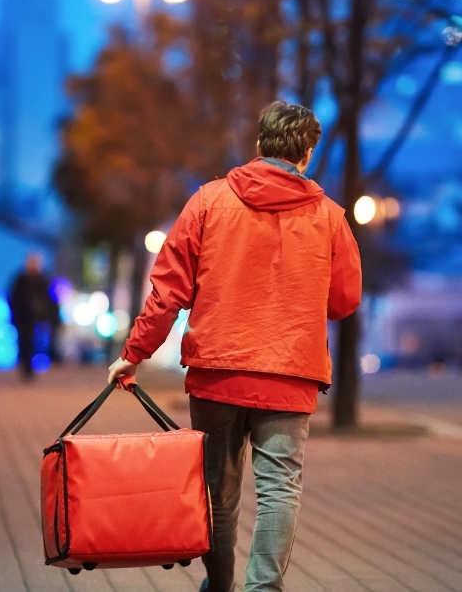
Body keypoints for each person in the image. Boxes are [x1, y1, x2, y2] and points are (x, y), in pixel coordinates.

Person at [108, 101, 362, 592]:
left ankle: (219, 586)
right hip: (290, 374)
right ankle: (262, 589)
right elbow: (345, 300)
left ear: (260, 145)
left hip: (218, 371)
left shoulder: (208, 202)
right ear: (307, 153)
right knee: (280, 488)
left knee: (217, 494)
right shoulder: (330, 218)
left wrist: (133, 353)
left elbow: (168, 290)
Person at [9, 253, 57, 381]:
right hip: (22, 318)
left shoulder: (43, 280)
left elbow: (49, 301)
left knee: (34, 343)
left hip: (36, 319)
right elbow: (14, 298)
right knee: (23, 342)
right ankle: (24, 366)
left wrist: (46, 317)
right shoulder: (20, 280)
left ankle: (30, 369)